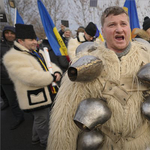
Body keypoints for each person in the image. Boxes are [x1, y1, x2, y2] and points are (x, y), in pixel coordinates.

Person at [47, 6, 150, 150]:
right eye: (112, 24)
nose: (119, 29)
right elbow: (64, 118)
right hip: (104, 144)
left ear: (129, 28)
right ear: (103, 31)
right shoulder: (85, 62)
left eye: (123, 24)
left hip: (141, 143)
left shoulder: (147, 57)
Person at [3, 24, 62, 148]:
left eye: (35, 39)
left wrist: (56, 72)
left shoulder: (36, 52)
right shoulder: (13, 57)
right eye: (31, 40)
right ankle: (46, 142)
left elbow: (49, 64)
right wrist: (51, 78)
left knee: (41, 118)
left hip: (45, 91)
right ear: (20, 41)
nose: (35, 42)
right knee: (42, 120)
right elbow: (29, 77)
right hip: (34, 96)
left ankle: (35, 139)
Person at [0, 25, 24, 130]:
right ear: (4, 34)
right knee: (13, 101)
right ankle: (19, 118)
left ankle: (32, 116)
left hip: (20, 78)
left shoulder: (19, 46)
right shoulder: (1, 47)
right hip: (6, 80)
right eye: (7, 33)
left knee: (25, 97)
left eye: (12, 33)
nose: (9, 35)